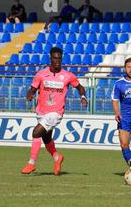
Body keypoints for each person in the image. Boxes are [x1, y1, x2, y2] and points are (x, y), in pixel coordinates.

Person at [21, 47, 88, 175]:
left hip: (56, 113)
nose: (57, 61)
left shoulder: (68, 76)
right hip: (41, 111)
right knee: (46, 139)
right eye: (54, 58)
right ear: (50, 58)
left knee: (36, 133)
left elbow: (80, 87)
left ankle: (31, 163)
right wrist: (29, 95)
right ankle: (57, 158)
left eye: (59, 58)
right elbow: (33, 89)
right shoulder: (41, 74)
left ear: (61, 59)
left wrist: (83, 97)